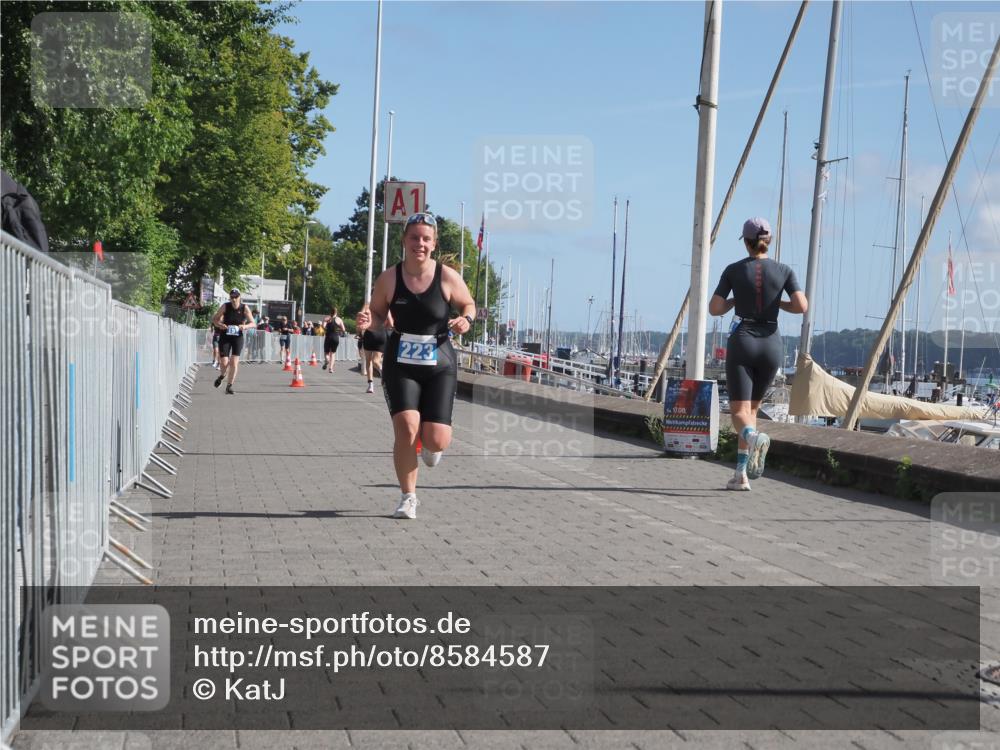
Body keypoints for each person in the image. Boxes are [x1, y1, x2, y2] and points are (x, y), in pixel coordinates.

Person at [355, 213, 476, 519]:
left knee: (436, 440)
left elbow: (468, 304)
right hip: (401, 361)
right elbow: (378, 315)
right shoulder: (390, 278)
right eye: (414, 237)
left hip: (439, 361)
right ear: (404, 241)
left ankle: (430, 440)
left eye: (426, 238)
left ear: (434, 244)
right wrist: (370, 323)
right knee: (406, 428)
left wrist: (466, 320)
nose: (419, 244)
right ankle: (408, 497)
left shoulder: (446, 276)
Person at [709, 217, 808, 491]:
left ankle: (752, 438)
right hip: (771, 343)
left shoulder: (733, 270)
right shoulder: (785, 270)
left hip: (744, 340)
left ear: (746, 242)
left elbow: (714, 309)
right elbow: (801, 305)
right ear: (769, 241)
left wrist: (733, 301)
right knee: (751, 409)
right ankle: (740, 474)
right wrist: (777, 303)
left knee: (738, 412)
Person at [211, 289, 256, 395]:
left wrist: (244, 326)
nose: (234, 299)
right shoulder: (225, 306)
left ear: (239, 297)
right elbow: (215, 319)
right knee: (224, 362)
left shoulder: (244, 308)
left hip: (237, 337)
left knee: (234, 362)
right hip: (225, 336)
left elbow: (253, 323)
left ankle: (229, 386)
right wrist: (220, 325)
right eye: (232, 297)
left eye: (236, 297)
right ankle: (222, 376)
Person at [358, 311, 392, 393]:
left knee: (369, 361)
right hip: (380, 334)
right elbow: (391, 324)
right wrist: (383, 328)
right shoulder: (386, 310)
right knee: (375, 361)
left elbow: (361, 323)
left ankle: (371, 385)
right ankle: (382, 373)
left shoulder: (369, 310)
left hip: (369, 334)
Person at [323, 307, 347, 371]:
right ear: (336, 312)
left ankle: (327, 360)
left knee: (326, 352)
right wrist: (339, 331)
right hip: (335, 337)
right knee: (333, 353)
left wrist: (327, 328)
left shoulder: (327, 318)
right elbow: (344, 329)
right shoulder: (339, 319)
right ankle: (331, 368)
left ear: (330, 312)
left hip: (328, 337)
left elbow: (323, 326)